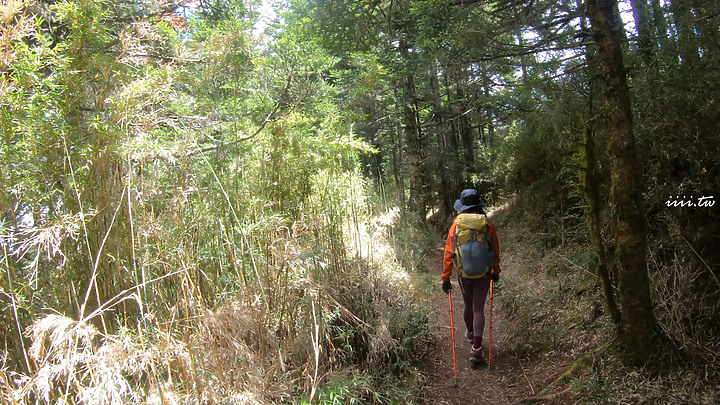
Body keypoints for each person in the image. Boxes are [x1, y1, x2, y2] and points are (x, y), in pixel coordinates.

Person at [441, 189, 501, 365]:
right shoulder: (488, 225)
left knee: (468, 304)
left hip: (464, 273)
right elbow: (495, 252)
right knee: (478, 309)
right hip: (484, 273)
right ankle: (476, 349)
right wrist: (495, 271)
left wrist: (446, 277)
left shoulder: (456, 225)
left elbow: (449, 253)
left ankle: (469, 333)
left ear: (463, 206)